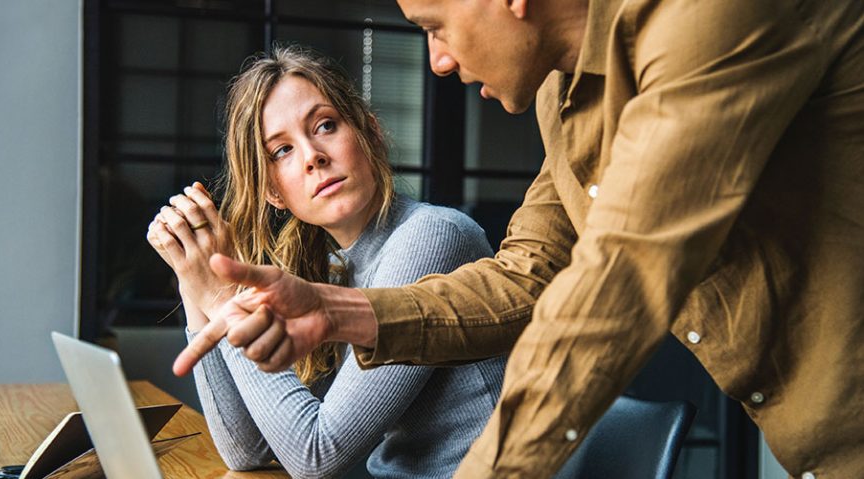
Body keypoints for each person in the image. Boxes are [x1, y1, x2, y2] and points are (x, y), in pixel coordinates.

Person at [175, 0, 864, 477]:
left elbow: (618, 280)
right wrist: (338, 310)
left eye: (435, 25)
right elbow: (527, 276)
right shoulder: (562, 96)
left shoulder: (706, 20)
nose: (437, 60)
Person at [149, 45, 507, 478]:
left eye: (325, 126)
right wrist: (194, 281)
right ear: (273, 192)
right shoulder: (333, 269)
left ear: (370, 134)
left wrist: (223, 295)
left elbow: (315, 457)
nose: (311, 156)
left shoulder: (432, 236)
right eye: (281, 151)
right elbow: (248, 450)